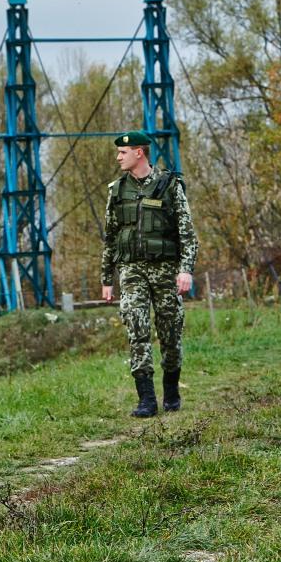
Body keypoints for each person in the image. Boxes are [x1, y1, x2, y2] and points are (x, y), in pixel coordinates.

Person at [100, 131, 198, 417]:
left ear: (139, 152)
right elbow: (111, 237)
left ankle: (171, 390)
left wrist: (185, 270)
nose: (118, 157)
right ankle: (146, 399)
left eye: (123, 152)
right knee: (136, 324)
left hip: (166, 269)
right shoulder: (117, 190)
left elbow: (187, 234)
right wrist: (107, 279)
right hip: (132, 269)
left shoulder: (169, 185)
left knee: (170, 330)